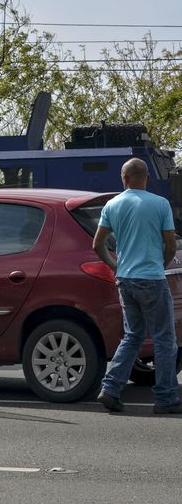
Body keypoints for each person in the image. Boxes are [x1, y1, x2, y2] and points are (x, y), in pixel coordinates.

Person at [93, 157, 181, 414]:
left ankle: (110, 389)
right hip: (152, 279)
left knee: (133, 336)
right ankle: (165, 398)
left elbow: (98, 245)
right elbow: (171, 245)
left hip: (126, 280)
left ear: (124, 179)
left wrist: (115, 266)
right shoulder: (160, 204)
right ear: (148, 179)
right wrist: (160, 265)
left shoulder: (112, 205)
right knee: (165, 340)